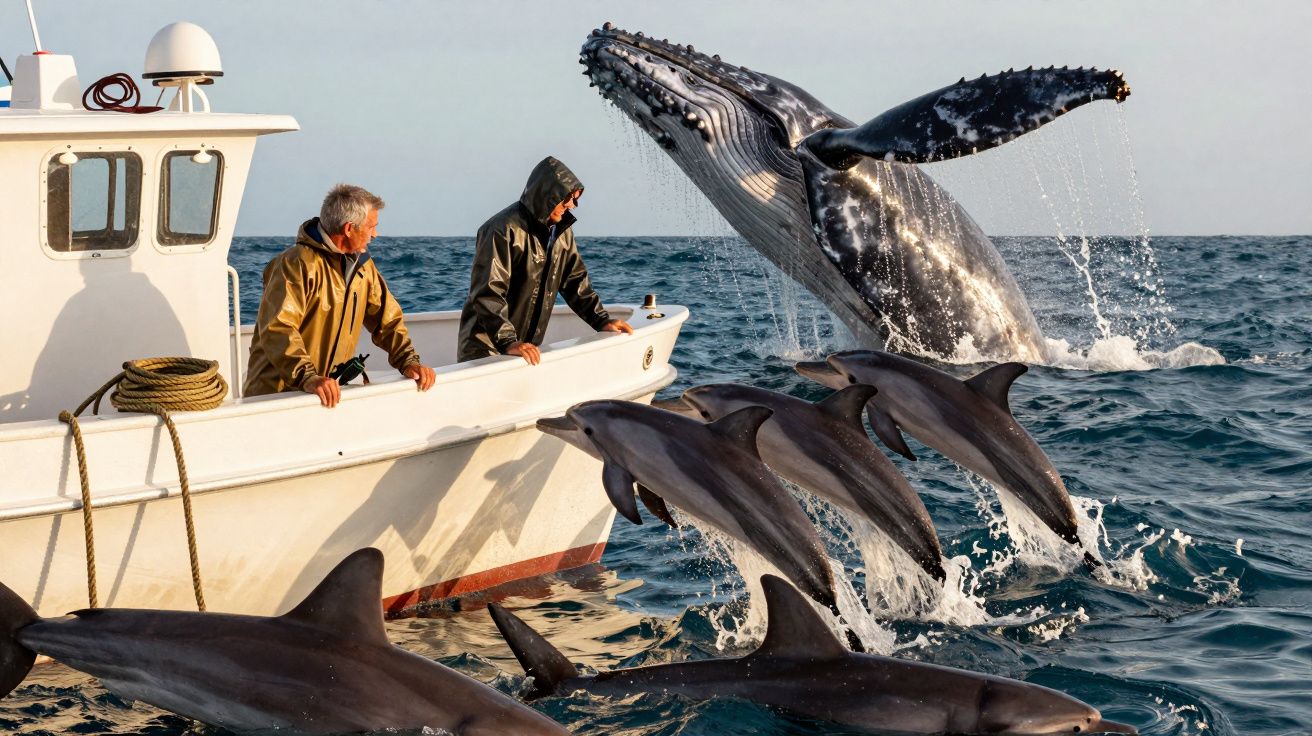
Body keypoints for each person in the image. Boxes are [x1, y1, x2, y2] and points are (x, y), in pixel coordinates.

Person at [245, 184, 436, 407]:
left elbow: (387, 319)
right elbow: (279, 328)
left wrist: (408, 362)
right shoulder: (295, 264)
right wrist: (307, 377)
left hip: (325, 393)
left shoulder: (363, 266)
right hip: (278, 396)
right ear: (348, 229)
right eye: (371, 226)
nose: (375, 234)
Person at [457, 156, 632, 365]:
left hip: (523, 348)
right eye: (568, 198)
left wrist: (601, 320)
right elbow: (488, 293)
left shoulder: (561, 234)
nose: (573, 205)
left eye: (576, 199)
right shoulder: (501, 230)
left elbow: (575, 281)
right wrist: (507, 341)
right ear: (548, 194)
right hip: (486, 349)